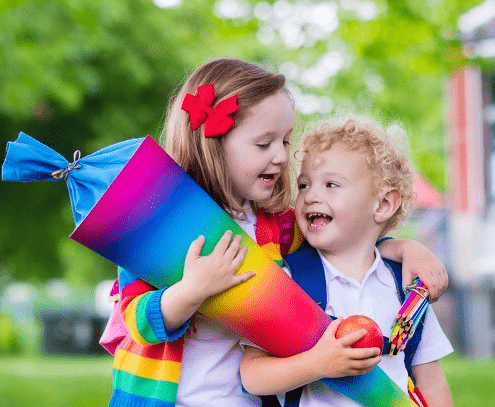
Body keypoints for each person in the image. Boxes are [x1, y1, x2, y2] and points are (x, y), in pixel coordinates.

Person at [109, 59, 449, 407]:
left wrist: (406, 248)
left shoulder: (277, 226)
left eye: (285, 141)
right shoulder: (157, 221)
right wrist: (190, 292)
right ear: (213, 143)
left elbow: (346, 238)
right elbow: (134, 323)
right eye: (264, 144)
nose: (282, 156)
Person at [240, 117, 454, 407]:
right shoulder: (288, 281)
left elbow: (432, 382)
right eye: (303, 185)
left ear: (383, 205)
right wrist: (316, 365)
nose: (311, 196)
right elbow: (251, 374)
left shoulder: (408, 290)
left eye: (331, 184)